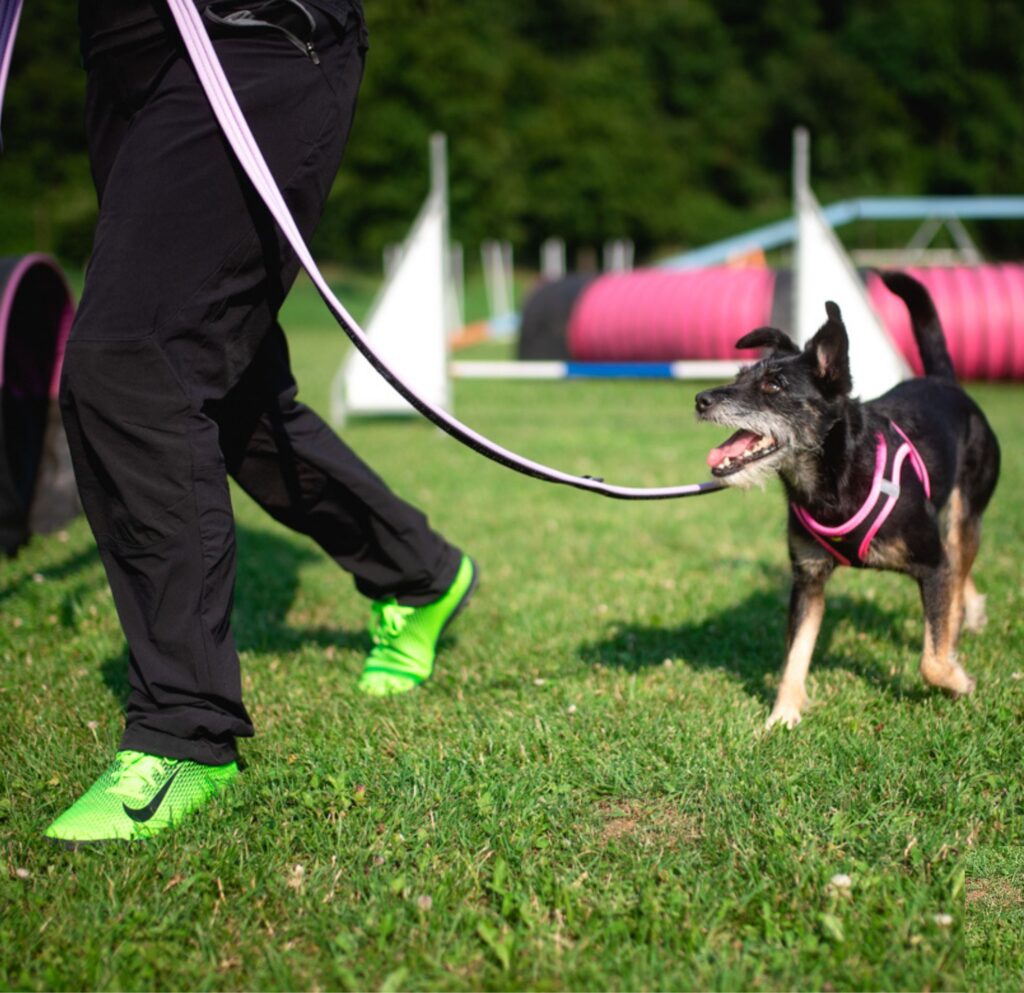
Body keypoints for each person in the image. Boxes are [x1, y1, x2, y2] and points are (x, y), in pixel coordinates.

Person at [44, 0, 478, 847]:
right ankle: (417, 572)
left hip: (253, 38)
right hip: (124, 52)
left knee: (135, 361)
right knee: (230, 388)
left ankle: (185, 730)